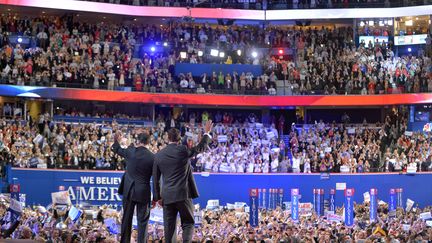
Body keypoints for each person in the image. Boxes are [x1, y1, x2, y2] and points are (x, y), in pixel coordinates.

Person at [153, 120, 213, 243]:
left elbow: (155, 179)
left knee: (169, 228)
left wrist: (157, 197)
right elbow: (199, 148)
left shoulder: (159, 155)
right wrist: (206, 133)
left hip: (167, 196)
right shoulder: (183, 150)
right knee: (188, 222)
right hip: (183, 194)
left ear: (167, 138)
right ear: (179, 138)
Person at [112, 130, 154, 243]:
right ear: (148, 143)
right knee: (143, 222)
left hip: (129, 191)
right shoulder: (152, 157)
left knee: (126, 219)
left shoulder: (130, 151)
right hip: (144, 192)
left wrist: (117, 140)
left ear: (137, 141)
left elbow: (116, 149)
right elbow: (156, 178)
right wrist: (157, 196)